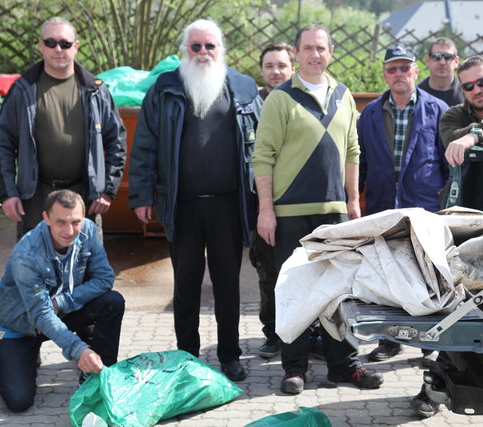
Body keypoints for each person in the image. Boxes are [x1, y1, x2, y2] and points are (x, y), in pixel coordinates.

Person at [252, 23, 383, 395]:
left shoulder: (343, 96)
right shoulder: (280, 99)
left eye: (320, 48)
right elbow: (262, 157)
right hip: (289, 212)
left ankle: (345, 367)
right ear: (296, 53)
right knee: (294, 291)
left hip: (335, 212)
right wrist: (266, 210)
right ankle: (294, 369)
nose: (314, 54)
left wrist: (354, 202)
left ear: (330, 52)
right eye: (307, 48)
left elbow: (353, 153)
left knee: (340, 291)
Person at [128, 19, 261, 382]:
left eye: (209, 46)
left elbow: (262, 149)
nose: (203, 53)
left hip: (228, 206)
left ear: (221, 50)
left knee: (228, 285)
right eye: (196, 47)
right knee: (185, 285)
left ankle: (230, 355)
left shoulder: (245, 88)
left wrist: (262, 200)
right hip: (182, 205)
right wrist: (142, 195)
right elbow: (145, 145)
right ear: (184, 50)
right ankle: (186, 356)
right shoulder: (165, 87)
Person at [410, 55, 483, 418]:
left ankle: (446, 382)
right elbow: (455, 141)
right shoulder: (453, 114)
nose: (476, 90)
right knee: (461, 307)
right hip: (467, 222)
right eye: (468, 85)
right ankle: (437, 384)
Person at [0, 190, 125, 412]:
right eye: (60, 222)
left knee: (112, 301)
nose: (69, 230)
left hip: (58, 311)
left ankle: (98, 376)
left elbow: (105, 278)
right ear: (46, 218)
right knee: (19, 400)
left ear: (83, 218)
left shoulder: (88, 231)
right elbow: (41, 315)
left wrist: (61, 302)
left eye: (75, 221)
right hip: (22, 325)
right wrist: (79, 349)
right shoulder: (26, 255)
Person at [358, 43, 449, 367]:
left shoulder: (437, 110)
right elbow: (362, 163)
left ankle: (431, 343)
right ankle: (389, 340)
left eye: (404, 67)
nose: (399, 74)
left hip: (424, 208)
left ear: (415, 71)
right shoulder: (369, 113)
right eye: (392, 68)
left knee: (430, 275)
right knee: (388, 277)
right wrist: (355, 203)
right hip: (383, 207)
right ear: (385, 74)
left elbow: (446, 164)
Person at [0, 17, 126, 239]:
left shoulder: (95, 91)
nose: (58, 49)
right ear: (40, 45)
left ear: (76, 47)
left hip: (84, 195)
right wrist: (8, 193)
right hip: (36, 197)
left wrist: (107, 190)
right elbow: (3, 144)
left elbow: (117, 142)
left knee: (85, 267)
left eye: (65, 44)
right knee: (35, 269)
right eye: (50, 43)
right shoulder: (22, 90)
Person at [251, 42, 295, 359]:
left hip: (300, 204)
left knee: (303, 273)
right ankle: (273, 332)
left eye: (281, 65)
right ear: (262, 70)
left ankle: (312, 335)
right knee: (268, 274)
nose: (275, 71)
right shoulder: (250, 105)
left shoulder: (304, 102)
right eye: (269, 66)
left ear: (292, 67)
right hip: (262, 204)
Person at [417, 37, 465, 107]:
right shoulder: (416, 94)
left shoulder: (468, 91)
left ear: (456, 61)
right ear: (427, 60)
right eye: (436, 56)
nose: (442, 62)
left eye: (448, 57)